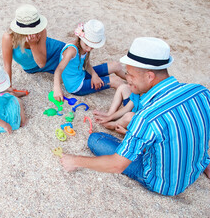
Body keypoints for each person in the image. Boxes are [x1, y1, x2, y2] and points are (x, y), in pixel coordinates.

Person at [60, 37, 210, 196]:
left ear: (150, 76)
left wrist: (75, 160)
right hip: (194, 168)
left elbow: (116, 165)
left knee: (96, 140)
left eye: (130, 75)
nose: (127, 79)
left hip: (164, 184)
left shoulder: (146, 117)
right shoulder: (201, 91)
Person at [52, 20, 125, 102]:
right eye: (87, 44)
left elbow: (86, 64)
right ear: (80, 38)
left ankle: (133, 82)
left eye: (92, 46)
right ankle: (130, 103)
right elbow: (59, 69)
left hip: (81, 74)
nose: (89, 49)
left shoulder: (84, 48)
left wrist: (94, 75)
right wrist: (57, 88)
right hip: (76, 86)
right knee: (116, 81)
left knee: (116, 65)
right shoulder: (71, 51)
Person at [2, 4, 66, 95]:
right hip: (32, 68)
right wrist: (9, 89)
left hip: (53, 51)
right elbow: (7, 65)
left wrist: (33, 46)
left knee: (76, 63)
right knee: (73, 73)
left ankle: (94, 72)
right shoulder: (8, 37)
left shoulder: (41, 31)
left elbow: (41, 63)